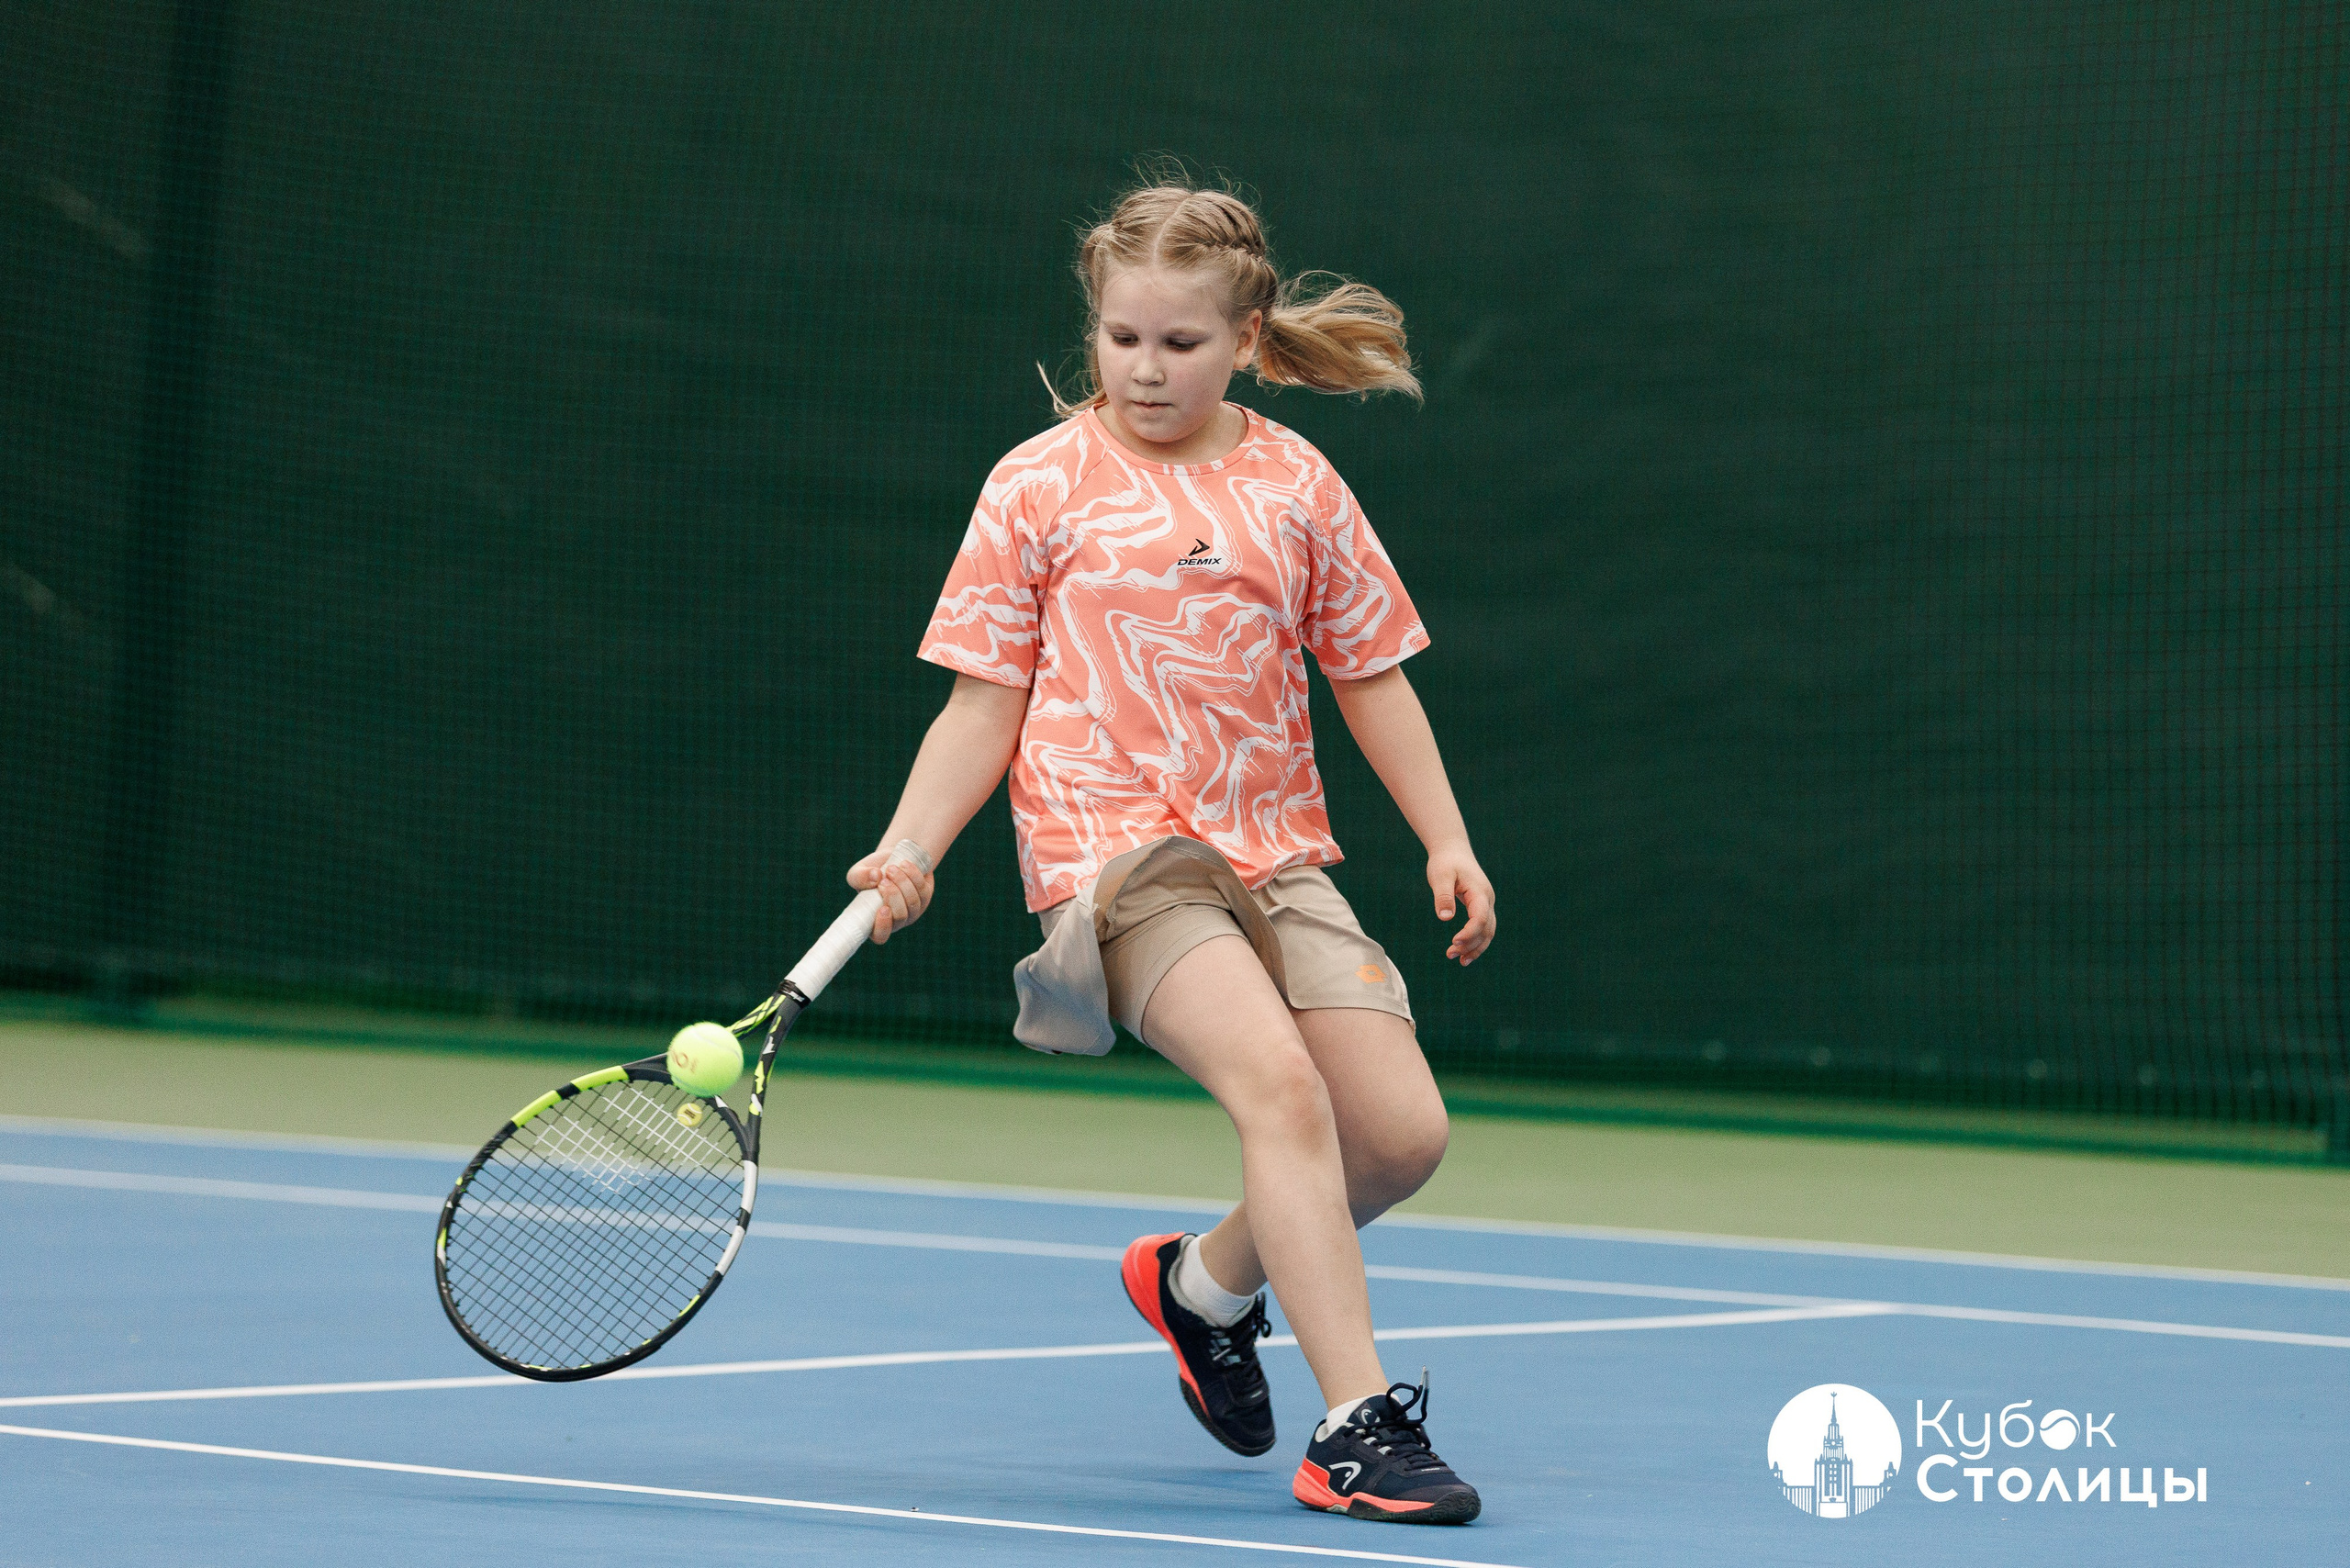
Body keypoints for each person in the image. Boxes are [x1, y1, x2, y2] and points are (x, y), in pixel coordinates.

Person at [847, 174, 1496, 1527]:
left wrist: (1445, 834)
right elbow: (984, 700)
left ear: (1247, 340)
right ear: (1093, 330)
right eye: (1123, 338)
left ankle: (1200, 1292)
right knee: (1283, 1091)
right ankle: (1357, 1426)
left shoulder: (1298, 482)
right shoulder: (1036, 487)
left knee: (1399, 1133)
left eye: (1182, 344)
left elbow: (1371, 673)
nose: (1147, 369)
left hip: (1274, 856)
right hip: (1116, 855)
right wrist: (910, 847)